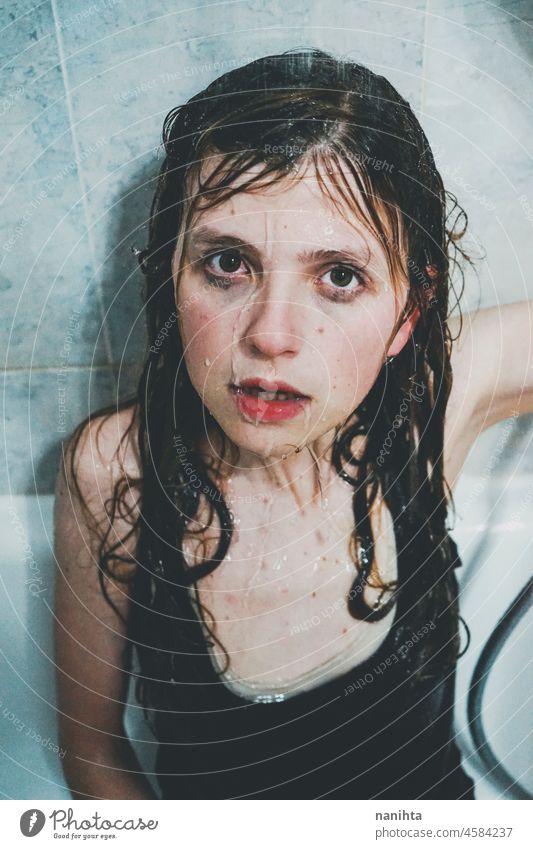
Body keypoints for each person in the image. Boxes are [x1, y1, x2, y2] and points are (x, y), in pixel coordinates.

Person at [53, 48, 533, 800]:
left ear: (407, 309)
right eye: (227, 263)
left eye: (339, 276)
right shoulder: (115, 470)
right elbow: (93, 750)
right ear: (170, 271)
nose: (271, 334)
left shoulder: (428, 408)